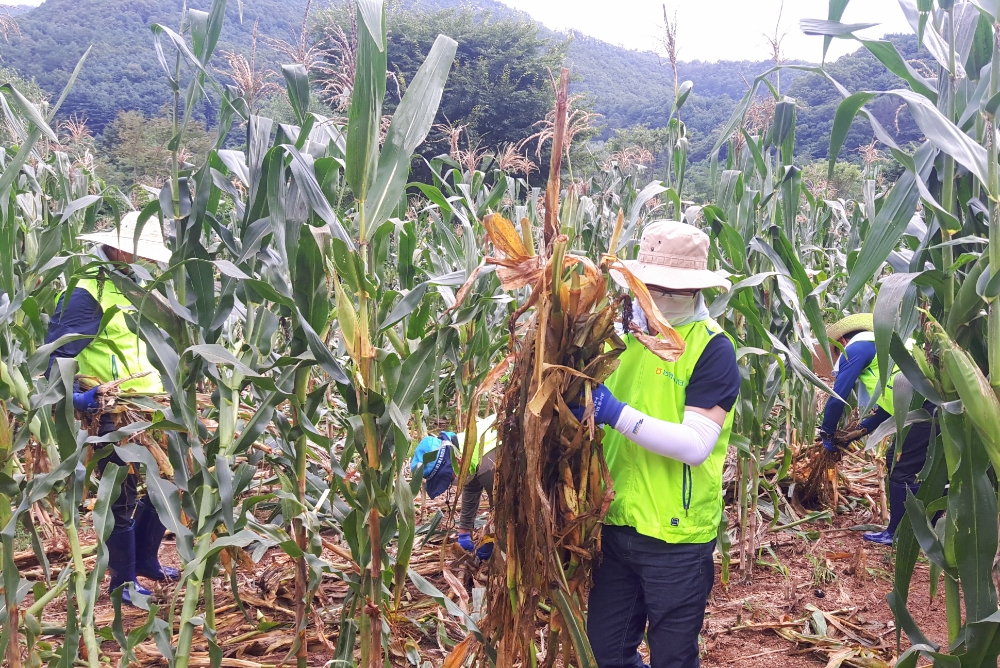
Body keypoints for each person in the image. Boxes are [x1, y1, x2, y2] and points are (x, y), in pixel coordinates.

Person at [579, 220, 741, 668]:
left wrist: (615, 413)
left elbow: (695, 445)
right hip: (613, 521)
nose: (654, 299)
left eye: (667, 290)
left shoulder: (711, 349)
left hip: (676, 535)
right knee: (606, 653)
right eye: (647, 287)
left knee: (672, 657)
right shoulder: (619, 339)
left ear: (693, 293)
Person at [45, 212, 178, 605]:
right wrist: (76, 399)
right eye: (141, 252)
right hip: (112, 412)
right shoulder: (86, 294)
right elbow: (56, 358)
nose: (148, 261)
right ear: (119, 248)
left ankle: (146, 561)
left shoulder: (130, 285)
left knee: (167, 487)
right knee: (119, 497)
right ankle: (121, 581)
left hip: (149, 404)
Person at [819, 314, 936, 546]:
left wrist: (827, 431)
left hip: (927, 410)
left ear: (842, 342)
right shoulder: (884, 347)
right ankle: (922, 527)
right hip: (930, 406)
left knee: (901, 468)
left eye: (835, 352)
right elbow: (888, 405)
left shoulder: (857, 349)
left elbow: (837, 396)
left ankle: (900, 533)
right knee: (916, 467)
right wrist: (855, 433)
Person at [411, 415, 498, 561]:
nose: (453, 484)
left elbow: (505, 510)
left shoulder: (489, 468)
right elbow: (471, 487)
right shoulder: (466, 447)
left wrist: (492, 539)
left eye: (449, 478)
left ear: (456, 461)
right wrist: (464, 534)